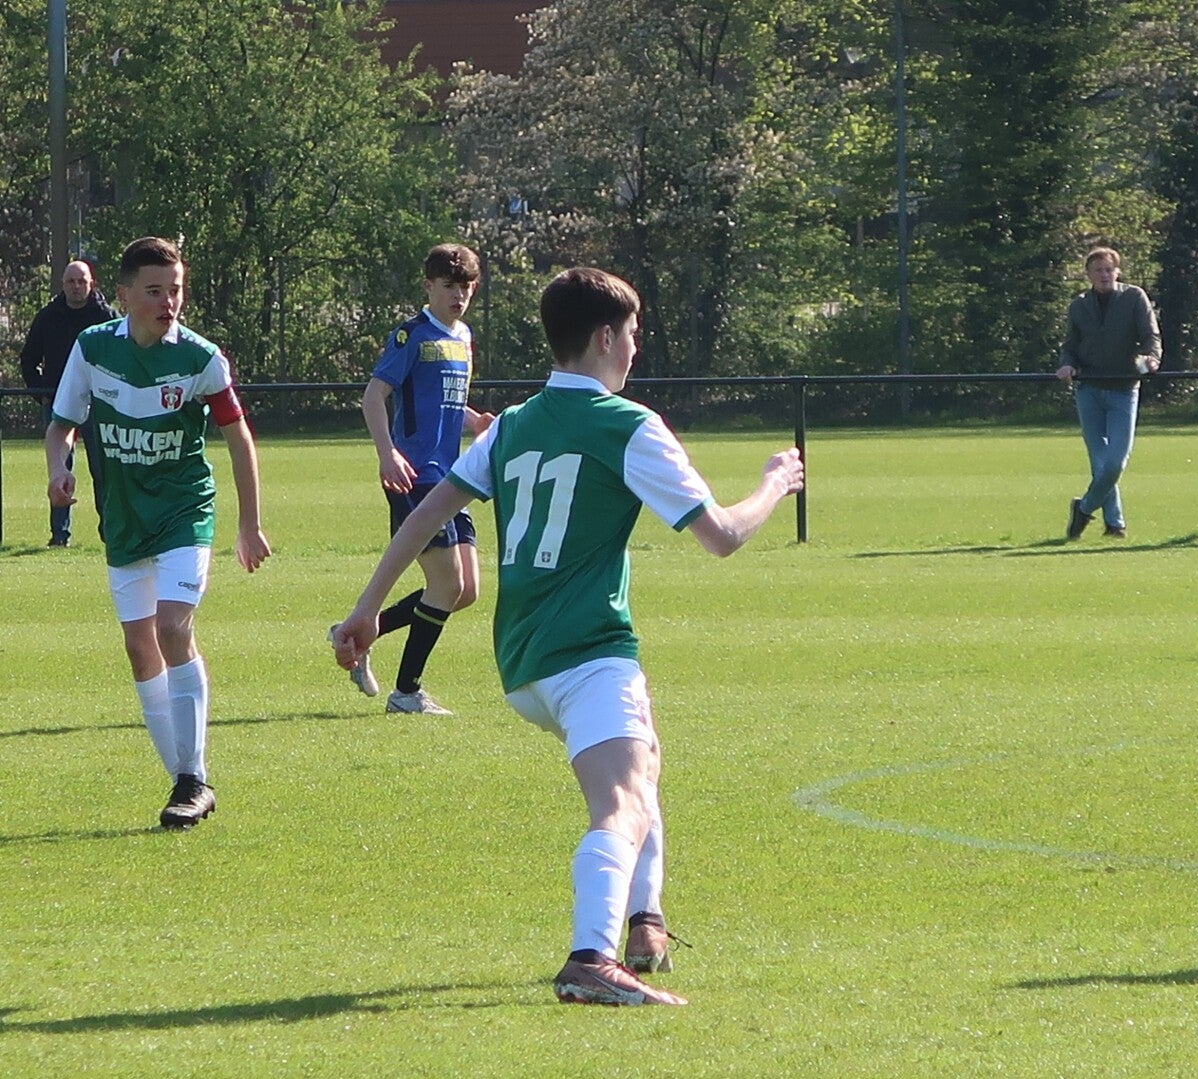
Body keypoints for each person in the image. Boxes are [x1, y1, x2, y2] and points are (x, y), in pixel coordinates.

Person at [332, 267, 804, 1006]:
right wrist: (775, 481)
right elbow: (721, 536)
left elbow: (428, 511)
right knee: (621, 800)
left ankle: (645, 924)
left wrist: (367, 608)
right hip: (587, 651)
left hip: (522, 662)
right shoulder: (628, 425)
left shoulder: (514, 423)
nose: (637, 348)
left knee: (642, 762)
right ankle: (590, 959)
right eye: (634, 334)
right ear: (605, 337)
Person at [45, 237, 271, 829]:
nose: (168, 302)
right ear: (123, 296)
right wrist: (58, 469)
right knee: (138, 647)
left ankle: (193, 779)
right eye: (154, 291)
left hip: (183, 512)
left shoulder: (200, 358)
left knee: (172, 628)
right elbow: (61, 426)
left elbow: (239, 438)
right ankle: (184, 779)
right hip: (123, 519)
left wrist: (248, 523)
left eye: (175, 290)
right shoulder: (92, 348)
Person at [338, 243, 494, 715]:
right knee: (446, 584)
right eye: (449, 286)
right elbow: (374, 396)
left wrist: (474, 422)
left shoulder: (463, 337)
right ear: (428, 286)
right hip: (415, 475)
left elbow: (442, 401)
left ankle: (359, 632)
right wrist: (387, 454)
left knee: (466, 591)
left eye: (466, 287)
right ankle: (407, 693)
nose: (458, 295)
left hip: (452, 477)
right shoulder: (411, 336)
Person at [1055, 246, 1161, 540]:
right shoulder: (1079, 305)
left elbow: (1150, 336)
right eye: (1098, 270)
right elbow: (1070, 345)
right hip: (1088, 390)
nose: (1104, 275)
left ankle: (1084, 508)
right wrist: (1066, 364)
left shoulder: (1134, 297)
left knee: (1116, 461)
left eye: (1109, 269)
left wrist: (1152, 358)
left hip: (1124, 389)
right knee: (1099, 462)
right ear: (1088, 275)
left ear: (1118, 271)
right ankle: (1115, 524)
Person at [17, 259, 116, 546]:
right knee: (59, 468)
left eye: (81, 281)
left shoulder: (106, 317)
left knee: (103, 469)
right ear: (62, 284)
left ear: (91, 284)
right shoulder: (48, 316)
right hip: (59, 402)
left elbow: (122, 357)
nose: (76, 286)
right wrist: (42, 393)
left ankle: (110, 533)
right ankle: (59, 536)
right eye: (71, 281)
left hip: (98, 403)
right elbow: (28, 359)